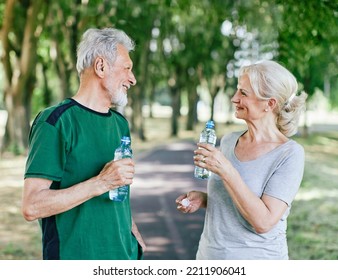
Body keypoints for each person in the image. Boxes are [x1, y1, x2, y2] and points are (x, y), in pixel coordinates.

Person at [22, 27, 146, 260]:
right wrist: (100, 182)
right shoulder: (55, 122)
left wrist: (133, 234)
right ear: (101, 67)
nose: (133, 78)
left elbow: (120, 192)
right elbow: (31, 206)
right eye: (127, 68)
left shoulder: (120, 124)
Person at [176, 60, 307, 260]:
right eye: (237, 91)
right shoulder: (229, 140)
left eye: (243, 93)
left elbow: (263, 222)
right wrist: (204, 200)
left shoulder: (289, 154)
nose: (234, 98)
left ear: (269, 104)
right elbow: (237, 199)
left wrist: (226, 170)